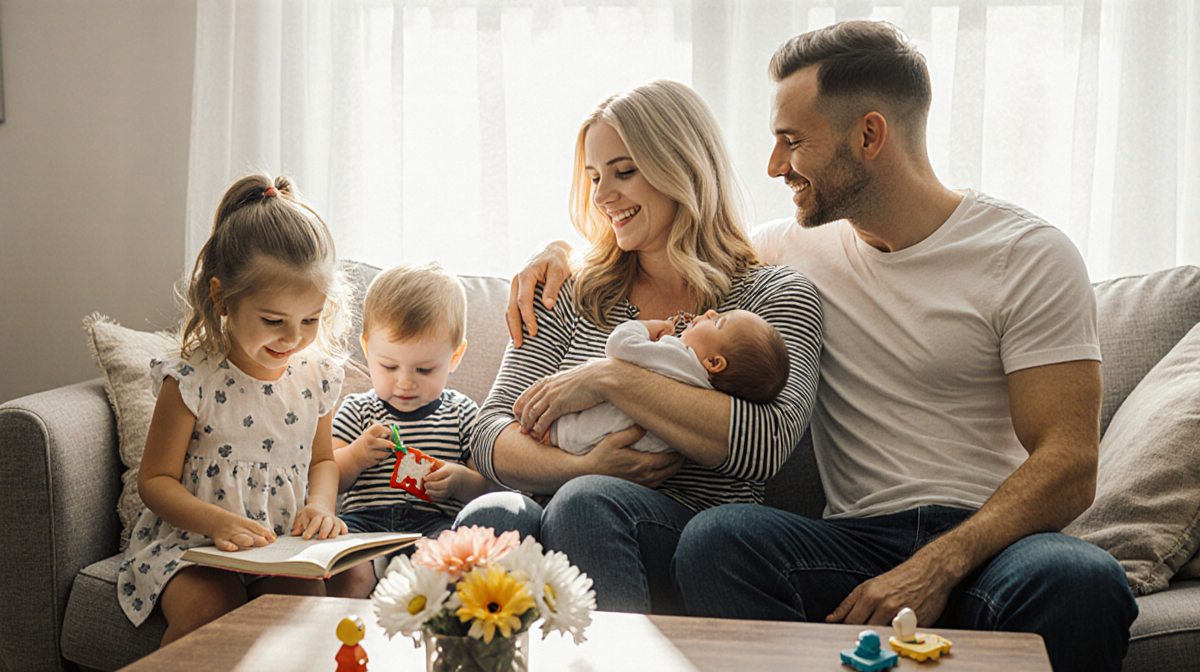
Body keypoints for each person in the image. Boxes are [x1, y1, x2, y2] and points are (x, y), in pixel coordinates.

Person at [508, 21, 1138, 672]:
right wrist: (561, 253)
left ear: (868, 135)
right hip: (850, 539)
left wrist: (937, 565)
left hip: (993, 542)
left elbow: (1069, 462)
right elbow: (680, 240)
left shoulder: (1028, 255)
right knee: (718, 539)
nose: (775, 165)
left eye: (791, 141)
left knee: (1082, 577)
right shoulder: (789, 250)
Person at [456, 79, 824, 615]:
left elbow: (765, 444)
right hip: (561, 502)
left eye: (624, 172)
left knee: (586, 504)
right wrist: (581, 468)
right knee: (495, 515)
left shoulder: (771, 297)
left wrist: (611, 378)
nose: (604, 196)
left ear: (683, 167)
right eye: (594, 177)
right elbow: (487, 435)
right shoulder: (571, 292)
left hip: (680, 539)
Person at [118, 174, 352, 645]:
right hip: (194, 545)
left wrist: (320, 505)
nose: (293, 338)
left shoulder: (317, 376)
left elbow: (324, 460)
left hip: (280, 546)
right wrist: (217, 522)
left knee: (305, 611)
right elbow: (155, 482)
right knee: (209, 610)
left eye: (310, 320)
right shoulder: (191, 379)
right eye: (274, 321)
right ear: (222, 298)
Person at [325, 262, 504, 598]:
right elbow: (328, 476)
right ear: (366, 349)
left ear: (455, 357)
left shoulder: (462, 413)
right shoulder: (356, 409)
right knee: (347, 573)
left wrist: (459, 481)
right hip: (363, 525)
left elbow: (488, 489)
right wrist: (356, 455)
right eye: (389, 366)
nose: (405, 382)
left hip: (432, 526)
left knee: (450, 565)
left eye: (424, 369)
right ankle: (349, 632)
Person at [549, 310, 790, 455]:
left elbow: (618, 346)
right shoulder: (705, 396)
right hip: (608, 452)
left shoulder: (680, 356)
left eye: (718, 322)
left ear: (714, 363)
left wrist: (644, 327)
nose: (711, 313)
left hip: (572, 430)